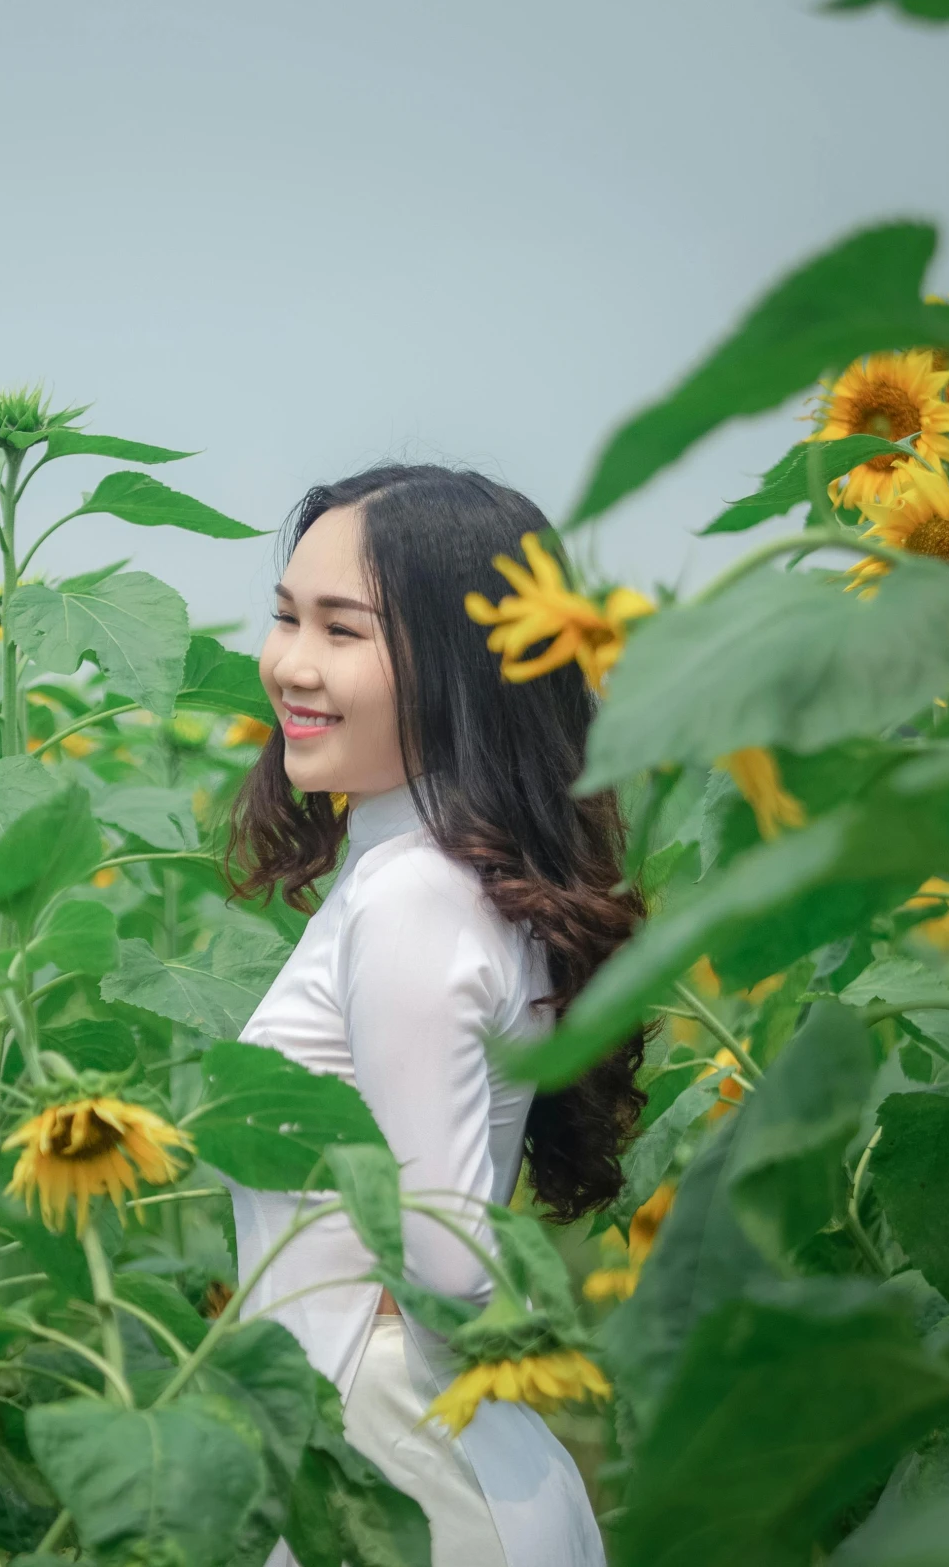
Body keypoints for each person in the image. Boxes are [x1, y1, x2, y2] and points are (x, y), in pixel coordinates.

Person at [222, 465, 645, 1567]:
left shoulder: (412, 895)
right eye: (284, 616)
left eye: (342, 630)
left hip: (393, 1469)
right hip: (416, 1456)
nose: (290, 665)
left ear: (461, 666)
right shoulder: (439, 879)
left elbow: (448, 1264)